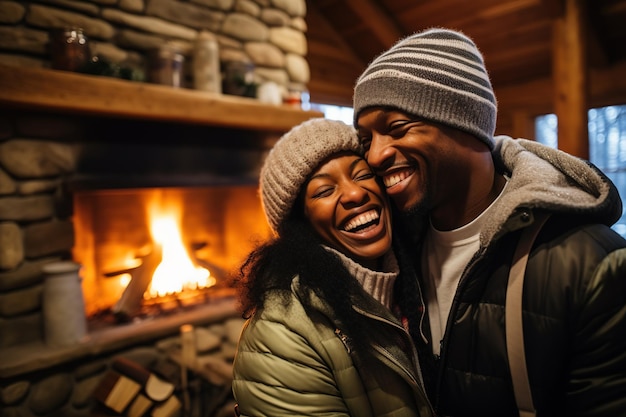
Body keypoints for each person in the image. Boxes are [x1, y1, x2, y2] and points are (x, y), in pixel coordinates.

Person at [352, 27, 626, 416]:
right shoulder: (390, 251)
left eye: (398, 128)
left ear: (465, 123)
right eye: (366, 140)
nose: (376, 155)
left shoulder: (591, 267)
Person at [231, 118, 435, 417]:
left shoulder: (425, 276)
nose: (355, 194)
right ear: (301, 227)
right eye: (324, 191)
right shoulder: (280, 335)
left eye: (363, 175)